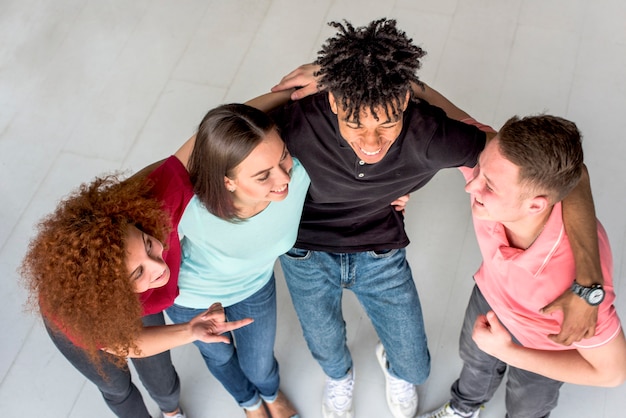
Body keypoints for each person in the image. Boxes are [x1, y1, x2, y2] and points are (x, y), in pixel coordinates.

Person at [253, 18, 605, 418]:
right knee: (325, 343)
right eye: (353, 123)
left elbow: (567, 173)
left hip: (380, 249)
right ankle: (339, 377)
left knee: (416, 365)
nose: (371, 143)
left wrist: (589, 284)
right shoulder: (296, 123)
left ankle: (394, 367)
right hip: (305, 251)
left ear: (404, 101)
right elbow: (219, 135)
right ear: (333, 102)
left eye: (386, 122)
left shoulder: (432, 135)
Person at [416, 114, 626, 418]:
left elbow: (613, 373)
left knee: (527, 404)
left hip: (543, 346)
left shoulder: (575, 286)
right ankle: (464, 407)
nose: (470, 187)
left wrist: (509, 352)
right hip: (490, 298)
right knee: (474, 362)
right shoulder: (496, 167)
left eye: (489, 185)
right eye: (479, 172)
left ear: (536, 205)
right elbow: (427, 103)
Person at [20, 168, 253, 418]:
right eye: (138, 273)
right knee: (116, 387)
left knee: (160, 375)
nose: (160, 266)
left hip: (128, 297)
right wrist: (188, 331)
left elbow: (199, 150)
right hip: (87, 322)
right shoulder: (82, 313)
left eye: (148, 245)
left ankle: (172, 411)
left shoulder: (148, 210)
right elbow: (124, 346)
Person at [165, 104, 310, 418]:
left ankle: (270, 392)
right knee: (219, 357)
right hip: (192, 298)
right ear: (227, 181)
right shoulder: (190, 208)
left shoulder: (299, 176)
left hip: (255, 287)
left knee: (259, 363)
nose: (284, 176)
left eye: (282, 156)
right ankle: (250, 403)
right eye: (263, 175)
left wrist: (396, 193)